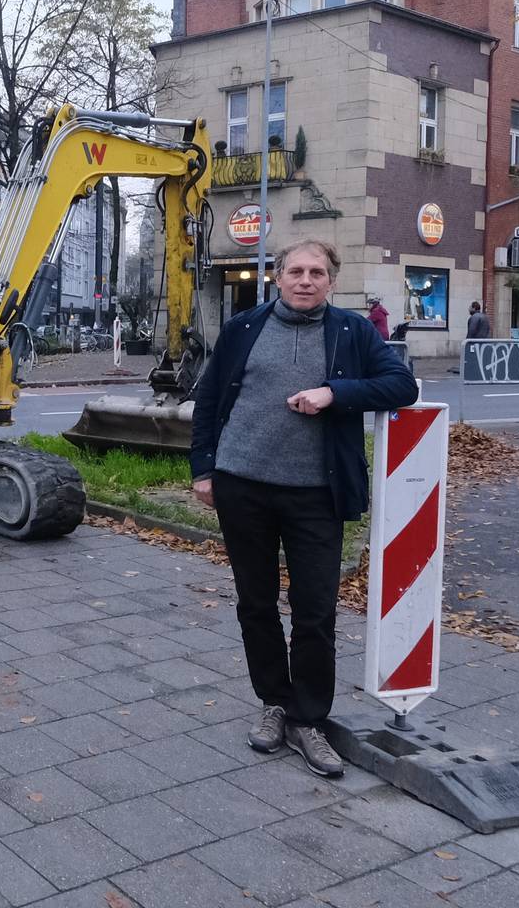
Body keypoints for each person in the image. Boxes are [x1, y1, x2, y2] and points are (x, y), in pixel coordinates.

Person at [190, 239, 418, 776]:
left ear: (331, 281)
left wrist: (334, 394)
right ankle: (273, 703)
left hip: (317, 493)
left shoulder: (352, 332)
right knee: (257, 602)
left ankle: (308, 718)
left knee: (315, 610)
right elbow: (209, 400)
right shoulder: (244, 328)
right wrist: (204, 469)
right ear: (277, 277)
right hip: (242, 485)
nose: (306, 280)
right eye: (296, 271)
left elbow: (400, 385)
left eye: (317, 272)